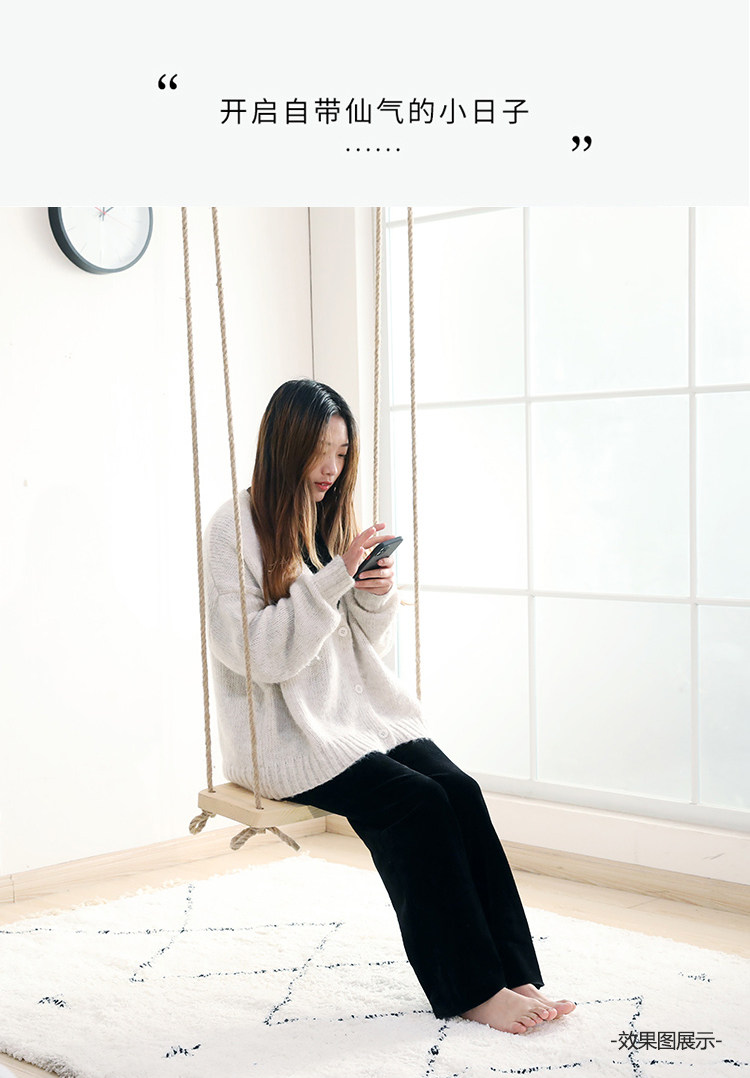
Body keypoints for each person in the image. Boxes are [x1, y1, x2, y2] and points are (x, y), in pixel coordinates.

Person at [204, 379, 575, 1034]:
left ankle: (513, 972)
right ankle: (473, 990)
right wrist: (334, 578)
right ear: (285, 445)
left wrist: (374, 592)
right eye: (320, 451)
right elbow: (259, 656)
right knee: (417, 805)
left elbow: (361, 642)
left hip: (359, 714)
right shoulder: (232, 529)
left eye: (342, 453)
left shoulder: (328, 519)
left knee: (458, 790)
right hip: (289, 735)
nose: (330, 468)